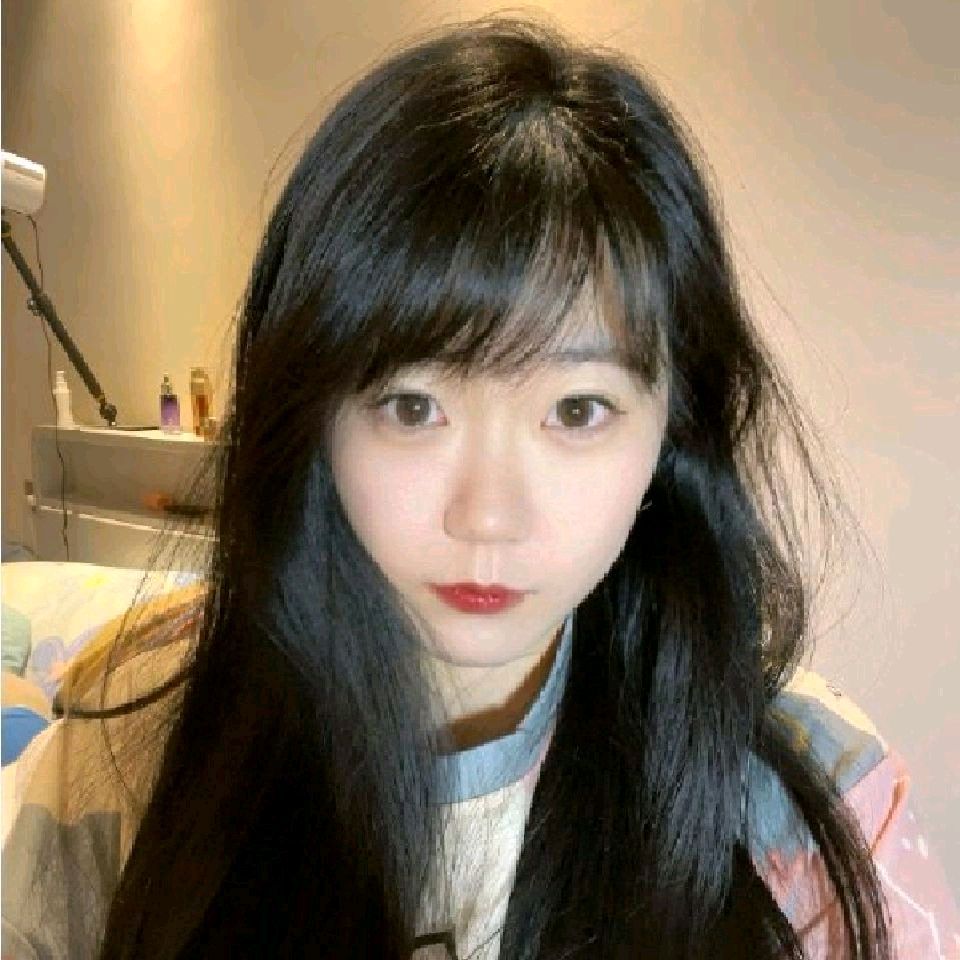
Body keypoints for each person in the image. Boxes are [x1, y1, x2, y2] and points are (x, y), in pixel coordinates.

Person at [2, 15, 957, 960]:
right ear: (313, 414)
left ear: (675, 427)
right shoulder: (133, 756)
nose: (489, 517)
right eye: (413, 406)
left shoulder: (812, 808)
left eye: (577, 410)